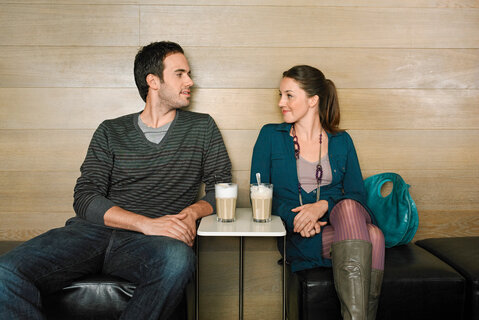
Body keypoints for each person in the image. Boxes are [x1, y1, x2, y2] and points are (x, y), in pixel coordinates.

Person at [0, 41, 232, 319]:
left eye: (189, 74)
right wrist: (145, 224)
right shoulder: (111, 130)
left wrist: (189, 214)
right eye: (180, 74)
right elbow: (85, 197)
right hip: (91, 233)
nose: (190, 82)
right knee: (5, 272)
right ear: (153, 81)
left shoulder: (202, 127)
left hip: (151, 245)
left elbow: (223, 189)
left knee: (178, 261)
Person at [250, 65, 385, 320]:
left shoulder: (342, 140)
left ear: (313, 100)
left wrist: (321, 206)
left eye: (289, 95)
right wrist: (299, 219)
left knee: (350, 209)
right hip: (300, 235)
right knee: (374, 237)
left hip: (341, 226)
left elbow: (357, 196)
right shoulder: (270, 135)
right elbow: (259, 194)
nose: (281, 102)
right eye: (280, 95)